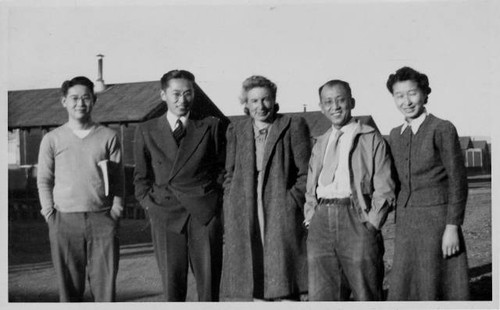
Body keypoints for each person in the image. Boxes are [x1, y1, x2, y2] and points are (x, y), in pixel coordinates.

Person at [133, 70, 224, 301]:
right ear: (163, 95)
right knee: (172, 287)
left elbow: (224, 170)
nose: (182, 100)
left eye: (188, 93)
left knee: (208, 286)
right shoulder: (146, 129)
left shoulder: (210, 126)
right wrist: (150, 206)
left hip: (202, 214)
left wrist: (214, 204)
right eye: (176, 94)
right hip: (165, 213)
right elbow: (141, 177)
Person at [220, 75, 311, 301]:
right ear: (246, 105)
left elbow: (306, 173)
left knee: (282, 265)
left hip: (279, 203)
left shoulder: (291, 126)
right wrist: (231, 200)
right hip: (245, 204)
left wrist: (291, 200)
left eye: (266, 100)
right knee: (251, 263)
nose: (261, 106)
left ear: (274, 100)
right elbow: (229, 173)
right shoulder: (236, 131)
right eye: (254, 101)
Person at [304, 79, 396, 301]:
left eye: (340, 100)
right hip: (321, 221)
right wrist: (311, 217)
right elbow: (310, 185)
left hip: (356, 218)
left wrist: (372, 224)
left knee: (365, 290)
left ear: (351, 102)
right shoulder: (320, 141)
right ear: (321, 107)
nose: (335, 107)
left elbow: (385, 186)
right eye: (328, 102)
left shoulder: (370, 137)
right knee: (323, 295)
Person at [37, 76, 123, 302]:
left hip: (102, 219)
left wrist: (116, 210)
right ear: (64, 101)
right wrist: (49, 213)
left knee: (105, 291)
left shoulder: (109, 136)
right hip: (64, 220)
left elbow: (118, 178)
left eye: (86, 98)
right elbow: (44, 179)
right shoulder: (52, 139)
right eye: (74, 98)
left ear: (94, 101)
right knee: (70, 291)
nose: (80, 103)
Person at [386, 66, 469, 300]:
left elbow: (458, 181)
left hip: (437, 223)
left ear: (424, 93)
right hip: (405, 223)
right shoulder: (394, 134)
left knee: (436, 287)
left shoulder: (442, 128)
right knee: (407, 288)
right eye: (399, 95)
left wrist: (452, 227)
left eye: (412, 93)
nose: (406, 101)